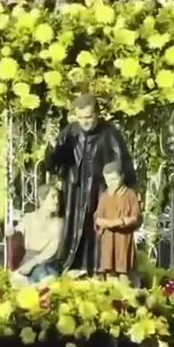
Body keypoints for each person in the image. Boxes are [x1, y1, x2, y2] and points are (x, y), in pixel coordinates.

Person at [45, 93, 135, 274]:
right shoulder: (70, 132)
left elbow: (123, 162)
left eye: (88, 117)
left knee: (98, 231)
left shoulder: (109, 134)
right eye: (80, 118)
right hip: (75, 191)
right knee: (75, 229)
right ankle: (73, 267)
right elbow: (54, 164)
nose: (84, 122)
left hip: (100, 191)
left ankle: (98, 270)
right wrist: (53, 147)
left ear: (97, 114)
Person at [94, 161, 141, 278]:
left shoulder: (130, 195)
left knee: (124, 273)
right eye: (107, 180)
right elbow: (98, 218)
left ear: (122, 177)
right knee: (109, 272)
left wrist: (121, 222)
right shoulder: (105, 196)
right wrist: (107, 223)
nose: (111, 183)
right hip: (109, 241)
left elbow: (135, 217)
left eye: (114, 179)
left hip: (123, 240)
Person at [12, 185, 62, 283]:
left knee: (47, 278)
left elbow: (51, 250)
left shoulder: (58, 223)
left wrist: (32, 264)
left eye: (57, 198)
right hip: (28, 261)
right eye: (53, 197)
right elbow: (16, 234)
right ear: (41, 200)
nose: (56, 201)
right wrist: (11, 231)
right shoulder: (29, 218)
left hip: (48, 263)